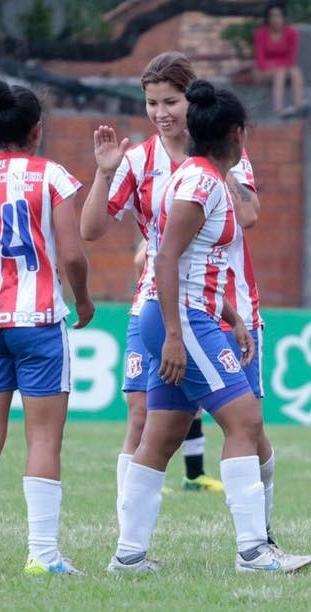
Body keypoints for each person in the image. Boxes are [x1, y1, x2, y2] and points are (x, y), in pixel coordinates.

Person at [106, 79, 311, 574]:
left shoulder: (201, 178)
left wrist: (233, 317)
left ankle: (129, 556)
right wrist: (176, 334)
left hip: (189, 314)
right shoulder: (200, 182)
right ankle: (253, 552)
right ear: (238, 135)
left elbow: (197, 265)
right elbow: (167, 259)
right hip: (180, 320)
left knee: (162, 435)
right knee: (244, 423)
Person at [0, 79, 94, 577]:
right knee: (43, 440)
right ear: (36, 130)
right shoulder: (51, 175)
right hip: (38, 321)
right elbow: (72, 252)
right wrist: (84, 299)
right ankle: (43, 555)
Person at [81, 52, 225, 499]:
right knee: (140, 413)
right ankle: (128, 540)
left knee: (236, 420)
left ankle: (255, 537)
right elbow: (90, 229)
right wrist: (104, 174)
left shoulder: (220, 153)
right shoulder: (138, 161)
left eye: (171, 102)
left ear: (191, 99)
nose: (161, 114)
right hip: (152, 303)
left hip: (210, 300)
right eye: (151, 103)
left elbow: (249, 217)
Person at [253, 1, 306, 117]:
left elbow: (291, 59)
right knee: (280, 72)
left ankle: (299, 106)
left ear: (283, 17)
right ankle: (279, 109)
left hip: (283, 69)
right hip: (263, 72)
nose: (275, 19)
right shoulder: (260, 33)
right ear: (267, 18)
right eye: (272, 16)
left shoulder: (292, 33)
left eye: (278, 16)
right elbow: (260, 61)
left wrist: (274, 63)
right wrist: (278, 65)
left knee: (296, 71)